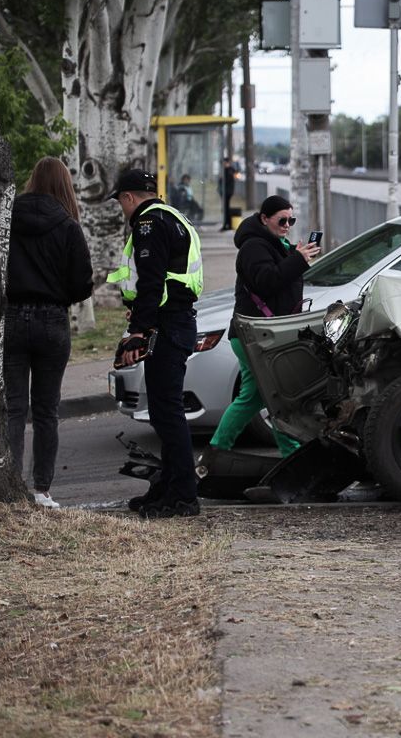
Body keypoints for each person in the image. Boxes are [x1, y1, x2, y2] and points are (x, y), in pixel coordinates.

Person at [107, 168, 204, 518]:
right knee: (165, 413)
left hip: (166, 324)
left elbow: (152, 280)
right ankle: (169, 486)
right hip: (176, 322)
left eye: (120, 201)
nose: (122, 208)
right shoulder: (176, 217)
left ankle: (183, 496)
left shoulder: (148, 223)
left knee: (167, 414)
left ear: (130, 197)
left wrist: (139, 330)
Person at [4, 157, 94, 509]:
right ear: (65, 185)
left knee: (13, 408)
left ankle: (11, 486)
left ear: (32, 180)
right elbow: (82, 284)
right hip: (53, 320)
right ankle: (42, 490)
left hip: (12, 316)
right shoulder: (68, 226)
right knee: (46, 411)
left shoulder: (7, 218)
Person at [204, 195, 320, 458]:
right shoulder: (253, 247)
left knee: (271, 394)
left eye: (291, 219)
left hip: (267, 334)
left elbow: (284, 282)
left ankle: (290, 452)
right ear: (264, 218)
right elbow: (267, 281)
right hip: (253, 335)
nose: (287, 224)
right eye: (281, 219)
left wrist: (297, 256)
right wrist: (297, 260)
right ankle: (218, 450)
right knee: (260, 394)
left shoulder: (277, 244)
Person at [221, 158, 236, 231]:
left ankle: (227, 224)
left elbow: (226, 181)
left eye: (224, 162)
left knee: (226, 209)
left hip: (227, 192)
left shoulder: (229, 170)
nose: (223, 164)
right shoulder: (228, 170)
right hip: (226, 192)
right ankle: (227, 224)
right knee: (226, 208)